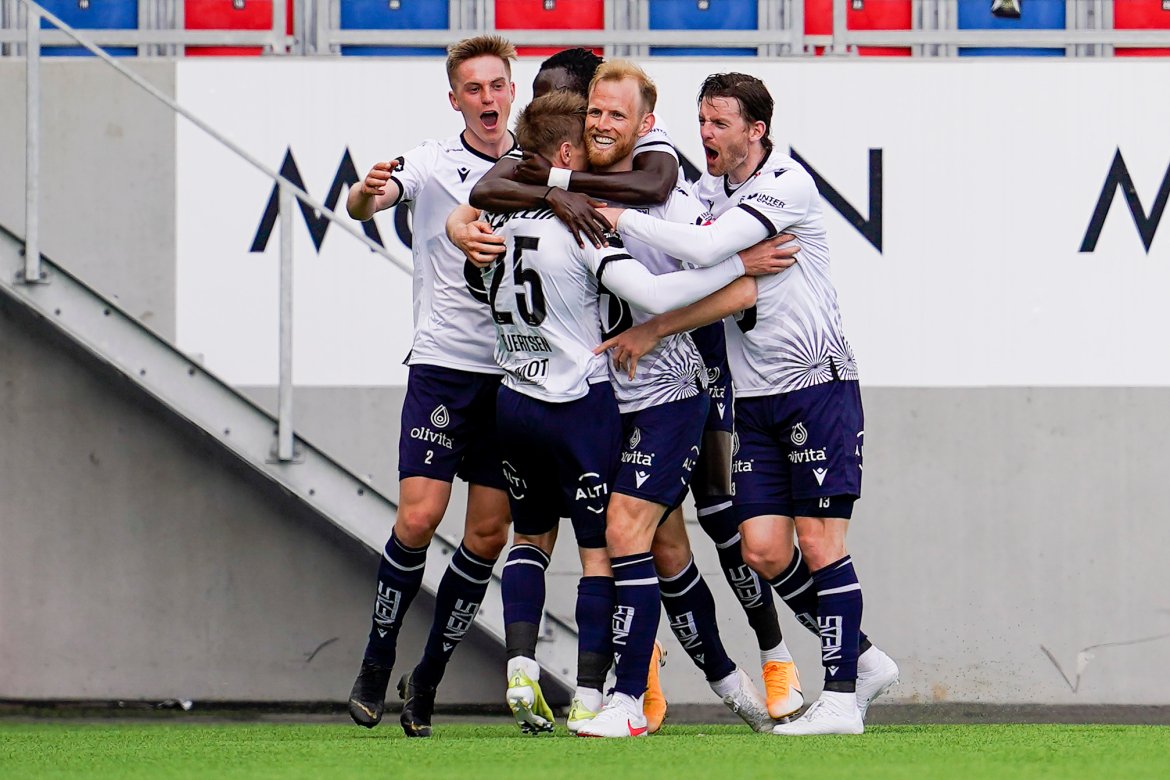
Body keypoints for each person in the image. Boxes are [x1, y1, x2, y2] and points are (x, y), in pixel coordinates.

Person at [459, 52, 806, 731]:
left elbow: (733, 287)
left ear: (647, 124)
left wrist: (669, 318)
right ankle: (700, 683)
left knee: (710, 521)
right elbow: (490, 189)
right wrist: (505, 208)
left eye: (615, 115)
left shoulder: (666, 187)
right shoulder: (563, 193)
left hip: (676, 383)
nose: (601, 123)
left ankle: (774, 660)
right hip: (607, 394)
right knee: (653, 547)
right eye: (593, 112)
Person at [596, 72, 900, 736]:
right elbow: (727, 282)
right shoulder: (710, 194)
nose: (706, 134)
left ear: (755, 131)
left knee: (819, 541)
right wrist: (657, 322)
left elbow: (709, 252)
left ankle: (841, 698)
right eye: (701, 121)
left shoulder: (787, 183)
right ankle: (864, 658)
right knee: (761, 549)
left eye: (720, 124)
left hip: (816, 385)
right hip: (753, 396)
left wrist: (617, 217)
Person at [342, 34, 522, 738]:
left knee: (488, 533)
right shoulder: (431, 161)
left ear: (513, 91)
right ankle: (375, 661)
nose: (486, 98)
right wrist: (366, 192)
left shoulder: (537, 168)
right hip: (444, 366)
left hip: (515, 376)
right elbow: (367, 203)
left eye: (496, 85)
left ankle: (428, 681)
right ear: (455, 100)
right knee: (418, 519)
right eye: (473, 88)